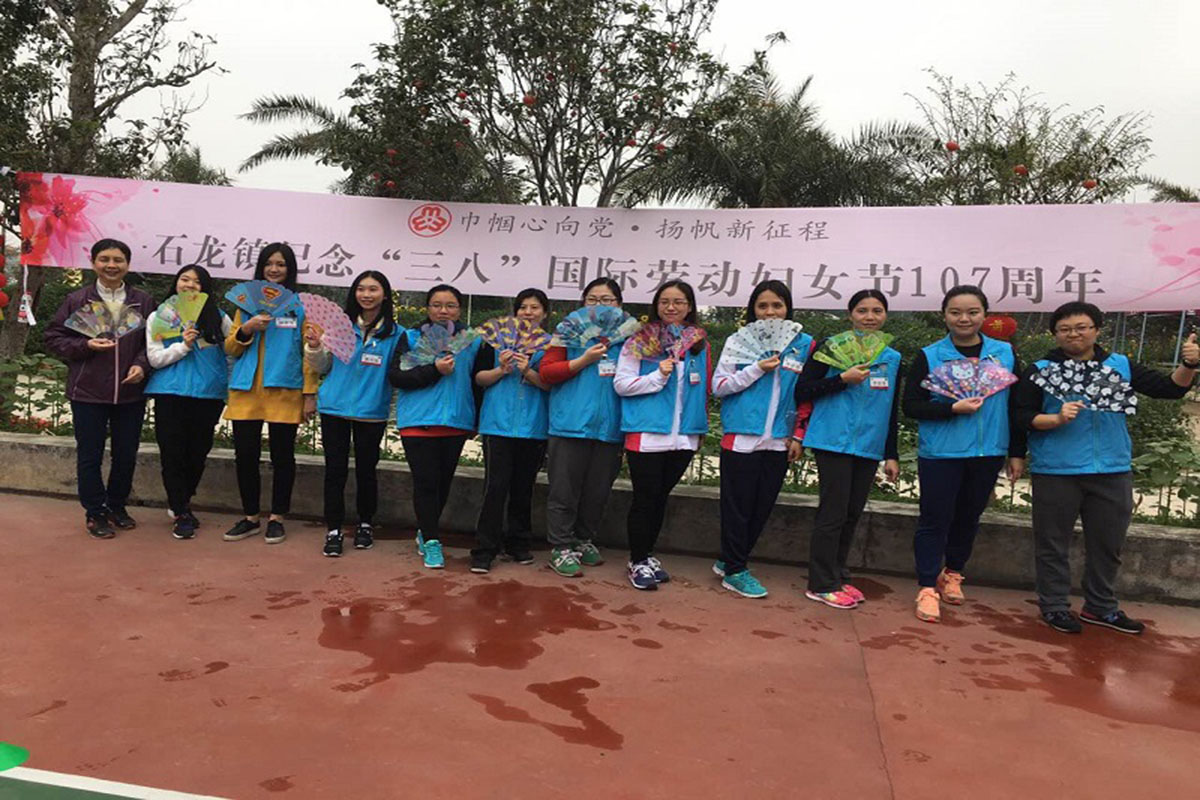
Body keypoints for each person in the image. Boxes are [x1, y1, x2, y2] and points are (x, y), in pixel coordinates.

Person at [1014, 302, 1198, 634]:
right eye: (1064, 329)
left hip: (1112, 469)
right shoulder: (1040, 369)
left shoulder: (1120, 365)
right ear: (1055, 334)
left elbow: (1170, 389)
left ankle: (1100, 607)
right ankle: (1054, 606)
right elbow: (1021, 416)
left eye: (1081, 327)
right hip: (1056, 470)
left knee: (1108, 545)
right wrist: (1055, 419)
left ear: (1097, 330)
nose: (1073, 334)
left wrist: (1189, 364)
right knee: (1052, 543)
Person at [903, 285, 1025, 623]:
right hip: (941, 452)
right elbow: (911, 406)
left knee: (969, 516)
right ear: (944, 315)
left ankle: (953, 573)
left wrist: (1016, 451)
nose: (964, 319)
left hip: (988, 450)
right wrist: (951, 408)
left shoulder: (1004, 353)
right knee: (934, 519)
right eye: (955, 312)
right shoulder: (930, 355)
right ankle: (927, 586)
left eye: (972, 312)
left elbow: (1017, 405)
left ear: (985, 315)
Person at [796, 289, 902, 608]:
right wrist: (842, 378)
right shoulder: (831, 347)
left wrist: (891, 454)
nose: (869, 317)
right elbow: (802, 390)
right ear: (850, 314)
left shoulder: (892, 357)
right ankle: (820, 583)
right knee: (833, 513)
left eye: (877, 311)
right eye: (862, 310)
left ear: (886, 315)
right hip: (832, 440)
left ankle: (839, 574)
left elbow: (891, 409)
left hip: (869, 444)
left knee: (852, 513)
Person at [44, 238, 154, 538]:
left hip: (130, 393)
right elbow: (53, 338)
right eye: (104, 259)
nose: (111, 265)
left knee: (126, 454)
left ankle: (117, 506)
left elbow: (153, 342)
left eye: (118, 260)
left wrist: (141, 365)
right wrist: (86, 345)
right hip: (87, 392)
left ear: (127, 265)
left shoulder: (143, 301)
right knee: (90, 455)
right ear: (93, 263)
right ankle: (95, 512)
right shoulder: (77, 299)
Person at [711, 280, 811, 599]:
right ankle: (736, 570)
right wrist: (755, 369)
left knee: (761, 507)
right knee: (737, 507)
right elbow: (719, 386)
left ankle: (730, 559)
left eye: (777, 305)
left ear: (788, 309)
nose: (770, 312)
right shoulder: (738, 340)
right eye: (762, 306)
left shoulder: (804, 344)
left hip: (780, 439)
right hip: (742, 436)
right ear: (753, 309)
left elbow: (807, 395)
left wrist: (798, 435)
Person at [614, 280, 710, 590]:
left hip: (684, 435)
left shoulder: (699, 344)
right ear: (656, 305)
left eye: (679, 301)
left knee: (660, 498)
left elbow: (702, 389)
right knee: (645, 498)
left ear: (689, 306)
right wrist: (658, 375)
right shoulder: (639, 339)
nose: (671, 307)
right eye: (665, 301)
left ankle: (647, 554)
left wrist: (699, 428)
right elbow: (622, 385)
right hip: (647, 433)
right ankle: (637, 561)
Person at [222, 243, 319, 545]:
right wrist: (247, 329)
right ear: (261, 267)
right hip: (246, 389)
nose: (274, 269)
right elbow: (231, 348)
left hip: (285, 389)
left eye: (281, 264)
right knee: (245, 455)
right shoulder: (245, 305)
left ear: (290, 270)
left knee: (283, 456)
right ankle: (250, 517)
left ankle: (277, 518)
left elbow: (309, 354)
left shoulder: (300, 306)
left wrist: (309, 393)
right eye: (269, 264)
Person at [305, 271, 402, 557]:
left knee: (366, 472)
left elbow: (400, 372)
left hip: (371, 411)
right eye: (361, 289)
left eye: (373, 289)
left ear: (385, 295)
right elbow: (323, 366)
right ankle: (333, 529)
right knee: (334, 472)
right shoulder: (339, 327)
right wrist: (315, 346)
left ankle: (365, 524)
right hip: (334, 408)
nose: (366, 295)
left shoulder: (397, 334)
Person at [387, 283, 482, 569]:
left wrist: (475, 419)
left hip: (456, 422)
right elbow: (397, 377)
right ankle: (431, 540)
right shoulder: (411, 337)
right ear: (427, 308)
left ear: (459, 309)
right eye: (437, 305)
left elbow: (478, 382)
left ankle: (425, 530)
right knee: (426, 482)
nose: (443, 311)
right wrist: (434, 370)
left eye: (450, 305)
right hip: (418, 422)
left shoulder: (472, 340)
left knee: (442, 484)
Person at [537, 278, 627, 578]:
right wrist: (584, 360)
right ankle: (561, 546)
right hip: (570, 425)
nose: (600, 305)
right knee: (564, 490)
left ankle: (583, 538)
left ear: (619, 305)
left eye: (607, 300)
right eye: (592, 299)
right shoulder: (567, 333)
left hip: (611, 428)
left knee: (597, 491)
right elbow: (547, 373)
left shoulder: (628, 339)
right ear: (583, 304)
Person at [144, 264, 231, 539]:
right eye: (185, 279)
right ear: (176, 283)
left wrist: (229, 387)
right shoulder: (159, 316)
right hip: (170, 393)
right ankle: (181, 511)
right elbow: (154, 358)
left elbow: (232, 354)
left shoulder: (219, 318)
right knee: (172, 453)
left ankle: (181, 501)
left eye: (196, 281)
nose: (190, 285)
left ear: (205, 288)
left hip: (208, 394)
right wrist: (183, 346)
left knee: (197, 453)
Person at [469, 289, 552, 574]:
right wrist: (502, 370)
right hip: (498, 425)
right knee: (494, 488)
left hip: (534, 427)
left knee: (523, 488)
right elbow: (479, 378)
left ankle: (518, 543)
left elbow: (551, 385)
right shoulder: (493, 343)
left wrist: (528, 371)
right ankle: (484, 549)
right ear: (515, 312)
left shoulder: (552, 346)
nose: (528, 312)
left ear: (545, 313)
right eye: (523, 307)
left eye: (535, 307)